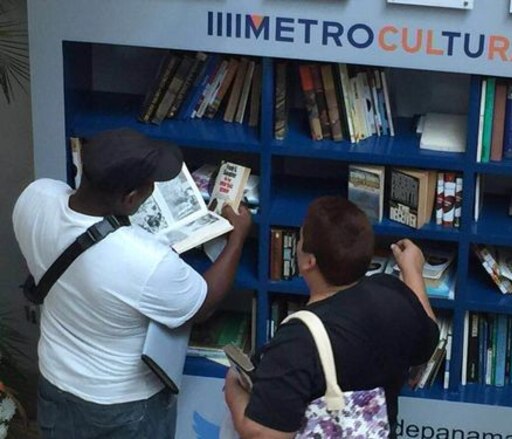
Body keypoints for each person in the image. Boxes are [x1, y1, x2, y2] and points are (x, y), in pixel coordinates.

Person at [12, 128, 252, 438]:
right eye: (149, 187)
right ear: (128, 199)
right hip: (125, 406)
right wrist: (238, 238)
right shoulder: (145, 260)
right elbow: (202, 305)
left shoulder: (34, 197)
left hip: (55, 384)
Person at [224, 196, 439, 438]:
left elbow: (261, 433)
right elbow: (428, 341)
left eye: (301, 239)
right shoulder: (391, 292)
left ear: (309, 262)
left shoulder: (298, 340)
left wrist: (233, 386)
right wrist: (412, 271)